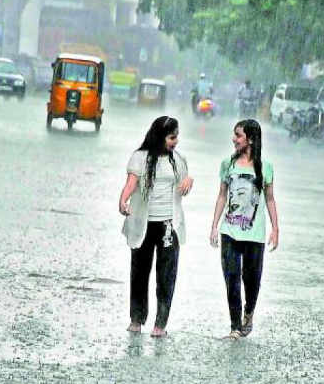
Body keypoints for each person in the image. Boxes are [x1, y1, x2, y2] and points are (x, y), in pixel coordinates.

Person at [119, 116, 194, 338]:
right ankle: (136, 318)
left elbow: (185, 180)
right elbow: (131, 184)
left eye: (177, 137)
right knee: (139, 273)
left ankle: (160, 324)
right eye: (172, 137)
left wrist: (190, 181)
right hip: (143, 223)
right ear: (160, 136)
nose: (175, 141)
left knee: (166, 275)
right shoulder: (140, 158)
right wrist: (122, 201)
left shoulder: (178, 159)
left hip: (169, 225)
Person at [209, 119, 279, 340]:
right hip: (229, 231)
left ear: (250, 139)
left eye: (238, 135)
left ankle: (249, 313)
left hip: (254, 234)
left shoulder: (265, 168)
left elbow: (269, 199)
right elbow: (222, 195)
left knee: (252, 279)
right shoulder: (227, 164)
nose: (234, 139)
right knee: (231, 277)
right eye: (234, 134)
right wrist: (214, 226)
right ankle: (235, 326)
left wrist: (275, 229)